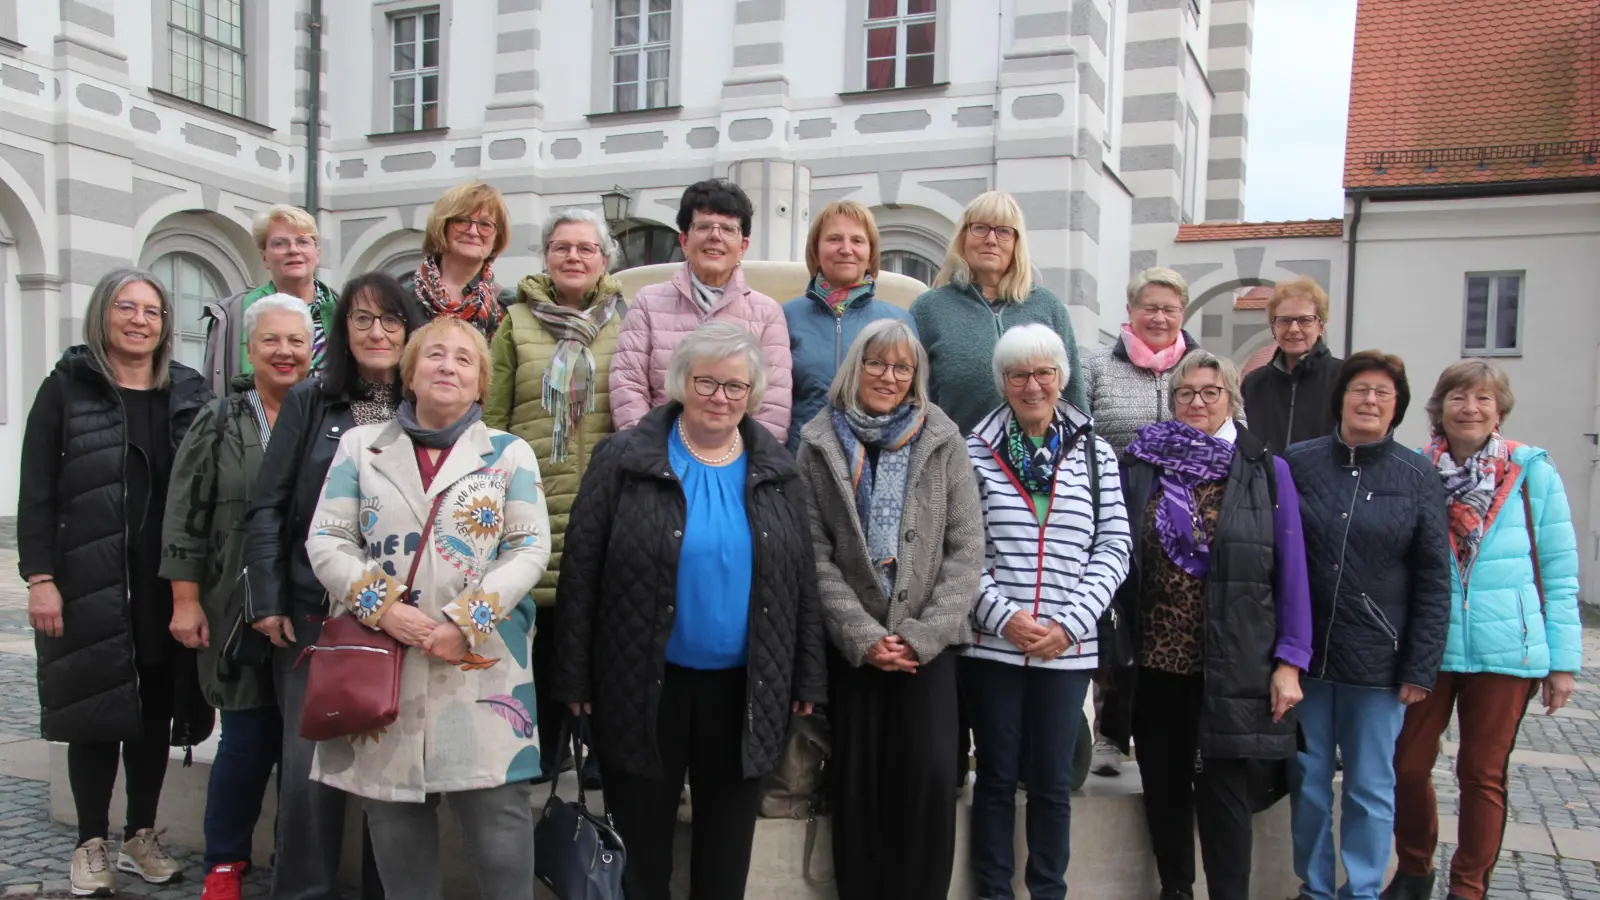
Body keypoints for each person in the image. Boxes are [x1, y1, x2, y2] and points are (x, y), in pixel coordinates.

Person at [555, 322, 827, 900]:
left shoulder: (778, 470)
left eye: (735, 386)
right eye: (707, 382)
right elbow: (581, 571)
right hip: (642, 685)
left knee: (725, 855)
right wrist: (574, 675)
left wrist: (808, 673)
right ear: (681, 381)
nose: (720, 397)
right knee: (643, 853)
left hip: (746, 691)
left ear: (752, 393)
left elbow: (802, 579)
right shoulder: (624, 459)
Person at [304, 317, 550, 900]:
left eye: (465, 360)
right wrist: (383, 608)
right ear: (410, 374)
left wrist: (466, 621)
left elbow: (529, 547)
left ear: (480, 385)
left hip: (481, 667)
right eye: (435, 355)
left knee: (499, 824)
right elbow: (327, 539)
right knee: (392, 822)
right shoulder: (363, 448)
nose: (448, 366)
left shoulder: (509, 455)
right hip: (385, 662)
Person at [19, 268, 213, 896]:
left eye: (152, 311)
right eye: (126, 308)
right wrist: (41, 577)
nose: (139, 320)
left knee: (156, 710)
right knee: (94, 710)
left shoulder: (185, 391)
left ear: (164, 325)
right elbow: (37, 491)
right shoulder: (66, 389)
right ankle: (90, 842)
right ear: (103, 314)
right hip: (87, 576)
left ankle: (140, 834)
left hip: (162, 580)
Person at [245, 272, 428, 900]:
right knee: (307, 778)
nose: (377, 333)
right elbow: (268, 505)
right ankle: (301, 892)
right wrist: (266, 598)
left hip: (401, 620)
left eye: (391, 321)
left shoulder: (429, 404)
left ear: (410, 332)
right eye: (362, 320)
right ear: (342, 332)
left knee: (391, 780)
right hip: (313, 616)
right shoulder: (309, 402)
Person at [794, 320, 982, 900]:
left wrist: (921, 637)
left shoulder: (944, 439)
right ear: (856, 367)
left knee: (927, 786)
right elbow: (814, 553)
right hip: (856, 652)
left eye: (902, 368)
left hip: (929, 651)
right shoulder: (818, 442)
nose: (889, 376)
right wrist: (863, 635)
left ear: (916, 378)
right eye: (877, 363)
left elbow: (966, 549)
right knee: (859, 791)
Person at [1116, 350, 1312, 900]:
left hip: (1235, 661)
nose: (1197, 402)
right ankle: (1175, 888)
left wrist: (1291, 661)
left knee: (1226, 792)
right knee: (1163, 784)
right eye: (1185, 393)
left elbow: (1293, 572)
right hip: (1157, 660)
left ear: (1231, 399)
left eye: (1210, 392)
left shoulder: (1266, 470)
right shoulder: (1143, 465)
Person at [1384, 361, 1582, 900]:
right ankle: (1415, 868)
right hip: (1431, 645)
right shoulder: (1415, 468)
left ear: (1499, 409)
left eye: (1482, 399)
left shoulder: (1530, 470)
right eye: (1458, 398)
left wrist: (1562, 662)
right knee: (1406, 765)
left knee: (1482, 774)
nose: (1470, 408)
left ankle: (1469, 886)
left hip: (1506, 650)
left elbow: (1560, 571)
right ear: (1439, 407)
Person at [963, 324, 1131, 900]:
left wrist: (1069, 624)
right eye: (1018, 375)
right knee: (994, 777)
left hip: (1068, 647)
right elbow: (963, 549)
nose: (1032, 386)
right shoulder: (974, 450)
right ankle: (993, 891)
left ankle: (1048, 891)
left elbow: (1114, 546)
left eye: (1043, 373)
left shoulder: (1094, 451)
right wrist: (1003, 616)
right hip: (993, 644)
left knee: (1054, 784)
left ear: (1061, 378)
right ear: (1002, 382)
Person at [1282, 350, 1452, 900]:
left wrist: (1420, 667)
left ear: (1397, 405)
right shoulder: (1297, 463)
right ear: (1341, 399)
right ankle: (1314, 887)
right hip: (1307, 661)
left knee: (1370, 788)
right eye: (1360, 389)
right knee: (1306, 783)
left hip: (1380, 664)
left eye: (1383, 392)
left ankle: (1361, 890)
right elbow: (1275, 557)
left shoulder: (1417, 475)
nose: (1370, 400)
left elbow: (1433, 578)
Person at [161, 294, 314, 897]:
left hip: (306, 609)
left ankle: (292, 861)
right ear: (249, 350)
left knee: (302, 750)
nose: (285, 352)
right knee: (247, 740)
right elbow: (183, 514)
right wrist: (185, 599)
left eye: (296, 342)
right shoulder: (220, 420)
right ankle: (225, 862)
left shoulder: (328, 417)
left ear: (312, 351)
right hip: (233, 607)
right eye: (271, 341)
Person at [484, 207, 625, 783]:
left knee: (599, 629)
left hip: (602, 501)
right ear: (545, 256)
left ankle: (596, 755)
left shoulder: (625, 320)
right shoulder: (514, 322)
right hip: (532, 496)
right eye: (562, 247)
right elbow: (491, 418)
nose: (574, 257)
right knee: (538, 630)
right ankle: (537, 752)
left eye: (586, 248)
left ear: (604, 260)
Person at [1081, 265, 1202, 775]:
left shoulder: (1200, 368)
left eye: (1170, 309)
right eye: (1149, 307)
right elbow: (1080, 435)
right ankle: (1110, 732)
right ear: (1129, 312)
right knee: (1115, 619)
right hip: (1113, 510)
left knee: (1174, 625)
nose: (1159, 316)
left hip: (1189, 522)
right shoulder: (1096, 367)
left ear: (1183, 315)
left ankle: (1179, 733)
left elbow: (1231, 431)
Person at [610, 178, 793, 442]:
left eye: (728, 229)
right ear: (684, 240)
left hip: (736, 462)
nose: (715, 236)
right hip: (657, 456)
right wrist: (649, 452)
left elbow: (772, 405)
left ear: (743, 246)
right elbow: (627, 385)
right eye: (704, 226)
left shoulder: (766, 312)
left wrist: (742, 460)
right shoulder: (648, 302)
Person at [910, 191, 1087, 437]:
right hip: (956, 463)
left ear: (1017, 242)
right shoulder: (929, 309)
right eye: (980, 228)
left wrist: (1083, 451)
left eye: (1004, 231)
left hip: (1041, 464)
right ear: (963, 237)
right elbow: (912, 399)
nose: (991, 240)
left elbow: (1073, 393)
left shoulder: (1047, 306)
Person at [782, 200, 917, 453]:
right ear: (815, 251)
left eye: (857, 241)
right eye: (834, 239)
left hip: (878, 463)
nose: (846, 249)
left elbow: (916, 406)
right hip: (803, 465)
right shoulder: (785, 317)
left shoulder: (899, 322)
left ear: (871, 254)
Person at [202, 206, 338, 396]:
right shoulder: (235, 313)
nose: (293, 250)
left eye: (302, 241)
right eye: (280, 243)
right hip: (257, 421)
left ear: (317, 254)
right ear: (265, 257)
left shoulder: (343, 311)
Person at [1240, 278, 1343, 454]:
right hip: (1267, 480)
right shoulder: (1254, 384)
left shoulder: (1343, 378)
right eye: (1284, 320)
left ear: (1321, 326)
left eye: (1304, 320)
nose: (1294, 329)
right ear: (1273, 327)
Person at [404, 180, 511, 340]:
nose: (473, 231)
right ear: (442, 225)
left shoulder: (507, 306)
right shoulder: (405, 297)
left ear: (497, 237)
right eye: (461, 221)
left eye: (485, 224)